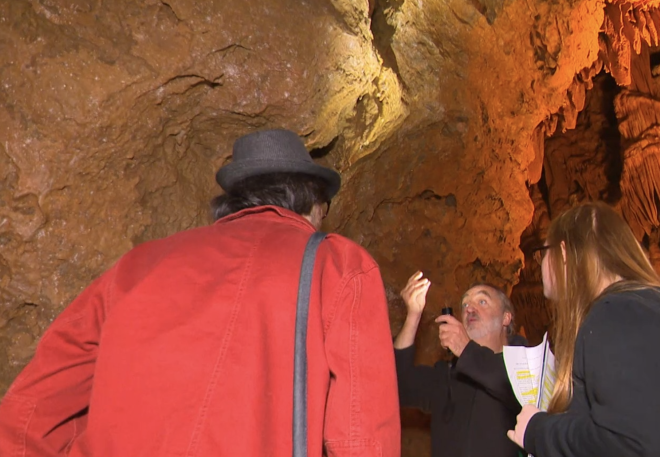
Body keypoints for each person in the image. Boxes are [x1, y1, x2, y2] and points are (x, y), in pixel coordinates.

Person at [0, 129, 401, 457]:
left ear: (234, 200)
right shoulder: (339, 265)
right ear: (313, 204)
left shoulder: (138, 265)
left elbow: (29, 413)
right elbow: (362, 437)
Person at [507, 202, 660, 457]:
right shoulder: (657, 314)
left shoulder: (617, 315)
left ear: (563, 252)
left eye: (543, 252)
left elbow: (630, 443)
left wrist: (538, 431)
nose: (540, 263)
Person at [393, 272, 525, 457]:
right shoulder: (448, 375)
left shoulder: (524, 367)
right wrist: (413, 316)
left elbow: (512, 387)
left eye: (482, 301)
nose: (469, 307)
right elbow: (399, 384)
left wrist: (465, 350)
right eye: (465, 304)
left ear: (506, 318)